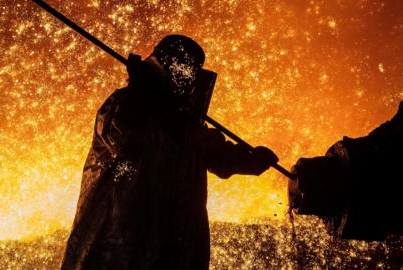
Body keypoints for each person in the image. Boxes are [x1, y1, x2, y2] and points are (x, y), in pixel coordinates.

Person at [61, 35, 278, 270]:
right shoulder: (122, 106)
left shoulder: (185, 124)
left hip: (172, 250)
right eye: (182, 71)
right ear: (167, 69)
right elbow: (123, 140)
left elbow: (218, 154)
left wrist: (251, 160)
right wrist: (138, 93)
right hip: (121, 248)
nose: (185, 80)